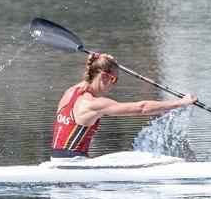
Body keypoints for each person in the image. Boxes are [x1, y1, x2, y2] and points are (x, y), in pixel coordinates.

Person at [51, 53, 197, 158]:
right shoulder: (93, 104)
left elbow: (90, 75)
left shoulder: (70, 92)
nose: (114, 85)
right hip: (72, 165)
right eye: (114, 80)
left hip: (57, 159)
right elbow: (142, 108)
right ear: (102, 76)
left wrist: (98, 62)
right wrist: (180, 103)